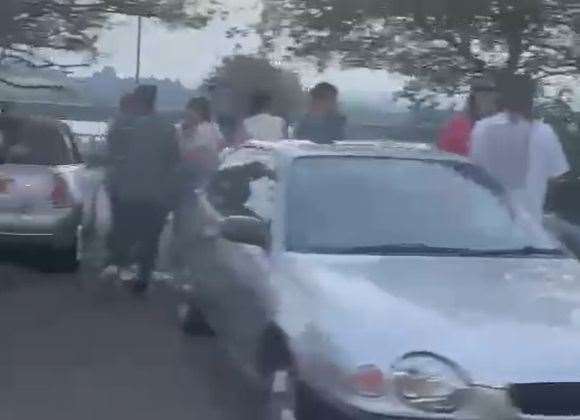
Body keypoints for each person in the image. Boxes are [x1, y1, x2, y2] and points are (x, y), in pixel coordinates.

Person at [107, 85, 180, 293]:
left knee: (123, 233)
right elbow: (174, 161)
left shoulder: (123, 124)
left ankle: (118, 270)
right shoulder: (167, 128)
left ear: (138, 101)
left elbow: (112, 154)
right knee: (150, 238)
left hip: (126, 191)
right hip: (156, 194)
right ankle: (143, 277)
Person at [470, 75, 570, 222]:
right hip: (526, 226)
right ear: (530, 100)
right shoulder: (543, 132)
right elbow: (557, 176)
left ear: (501, 98)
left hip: (485, 220)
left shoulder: (481, 128)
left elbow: (473, 169)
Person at [173, 97, 224, 270]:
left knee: (193, 214)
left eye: (193, 110)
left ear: (201, 112)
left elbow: (214, 150)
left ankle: (186, 252)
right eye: (189, 110)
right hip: (192, 178)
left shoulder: (208, 130)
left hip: (200, 177)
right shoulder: (183, 128)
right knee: (187, 214)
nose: (189, 113)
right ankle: (184, 252)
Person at [438, 79, 498, 156]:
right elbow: (445, 154)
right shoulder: (458, 124)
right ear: (473, 100)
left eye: (491, 97)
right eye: (484, 96)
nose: (488, 101)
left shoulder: (502, 125)